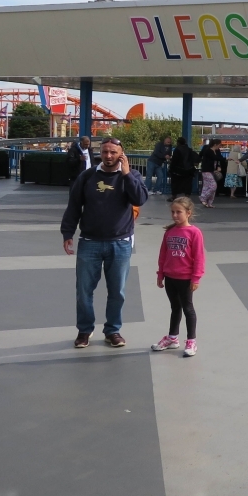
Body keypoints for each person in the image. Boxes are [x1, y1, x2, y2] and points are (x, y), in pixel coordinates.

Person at [60, 138, 148, 349]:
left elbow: (140, 199)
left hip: (120, 243)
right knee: (84, 290)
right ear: (100, 152)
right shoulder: (88, 176)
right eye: (105, 152)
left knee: (117, 291)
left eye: (113, 152)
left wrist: (126, 174)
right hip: (90, 242)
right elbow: (74, 205)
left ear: (121, 153)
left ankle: (112, 330)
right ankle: (84, 330)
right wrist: (67, 233)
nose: (109, 156)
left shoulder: (131, 176)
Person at [152, 196, 206, 357]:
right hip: (170, 277)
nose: (175, 215)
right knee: (175, 308)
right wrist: (160, 274)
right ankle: (172, 338)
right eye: (173, 212)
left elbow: (199, 257)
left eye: (179, 212)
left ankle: (191, 341)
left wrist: (196, 278)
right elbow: (163, 254)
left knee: (188, 308)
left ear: (188, 213)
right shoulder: (169, 232)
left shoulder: (194, 232)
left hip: (185, 278)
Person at [168, 137, 197, 201]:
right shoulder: (189, 149)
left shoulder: (177, 150)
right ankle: (187, 196)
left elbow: (174, 161)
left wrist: (171, 168)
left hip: (178, 170)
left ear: (178, 142)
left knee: (175, 183)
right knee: (188, 184)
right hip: (189, 170)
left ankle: (174, 196)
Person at [198, 139, 220, 208]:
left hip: (211, 170)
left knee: (206, 186)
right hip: (206, 170)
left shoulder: (216, 151)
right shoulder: (208, 151)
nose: (220, 146)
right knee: (213, 185)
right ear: (215, 144)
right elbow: (216, 158)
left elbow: (218, 158)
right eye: (219, 145)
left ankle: (209, 203)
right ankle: (203, 198)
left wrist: (218, 166)